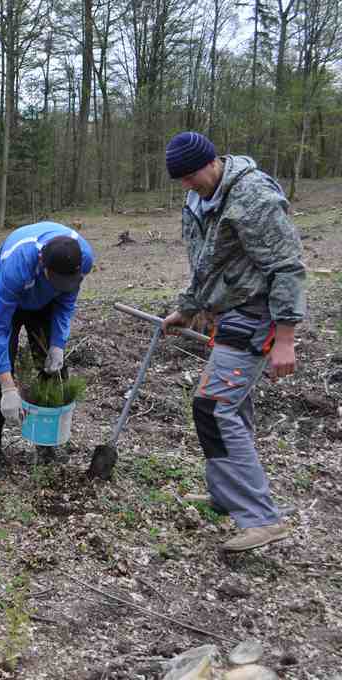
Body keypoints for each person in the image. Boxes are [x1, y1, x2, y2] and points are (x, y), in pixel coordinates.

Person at [161, 131, 305, 553]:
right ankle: (227, 494)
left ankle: (261, 519)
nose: (186, 185)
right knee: (232, 408)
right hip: (226, 314)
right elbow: (206, 262)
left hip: (256, 315)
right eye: (180, 180)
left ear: (212, 162)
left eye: (190, 176)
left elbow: (286, 266)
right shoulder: (199, 198)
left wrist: (286, 337)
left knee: (213, 407)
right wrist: (189, 308)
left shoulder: (253, 197)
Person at [0, 222, 94, 478]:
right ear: (42, 263)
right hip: (6, 292)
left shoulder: (83, 258)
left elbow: (66, 302)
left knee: (52, 368)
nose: (63, 285)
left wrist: (58, 344)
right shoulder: (18, 263)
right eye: (57, 281)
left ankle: (47, 443)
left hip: (44, 301)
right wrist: (8, 388)